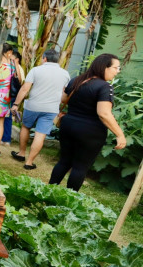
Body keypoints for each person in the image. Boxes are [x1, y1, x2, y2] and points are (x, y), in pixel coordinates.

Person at [49, 53, 126, 191]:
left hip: (68, 125)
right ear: (105, 67)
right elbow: (103, 113)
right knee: (80, 167)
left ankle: (48, 192)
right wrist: (119, 134)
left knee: (64, 162)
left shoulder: (77, 80)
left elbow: (63, 99)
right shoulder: (104, 87)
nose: (117, 71)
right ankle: (69, 200)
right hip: (90, 131)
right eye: (116, 68)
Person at [10, 49, 69, 170]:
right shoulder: (65, 74)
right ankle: (29, 162)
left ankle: (21, 154)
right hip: (51, 109)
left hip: (33, 106)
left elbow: (25, 89)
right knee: (40, 134)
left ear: (45, 58)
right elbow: (65, 94)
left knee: (26, 127)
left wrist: (16, 104)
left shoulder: (36, 70)